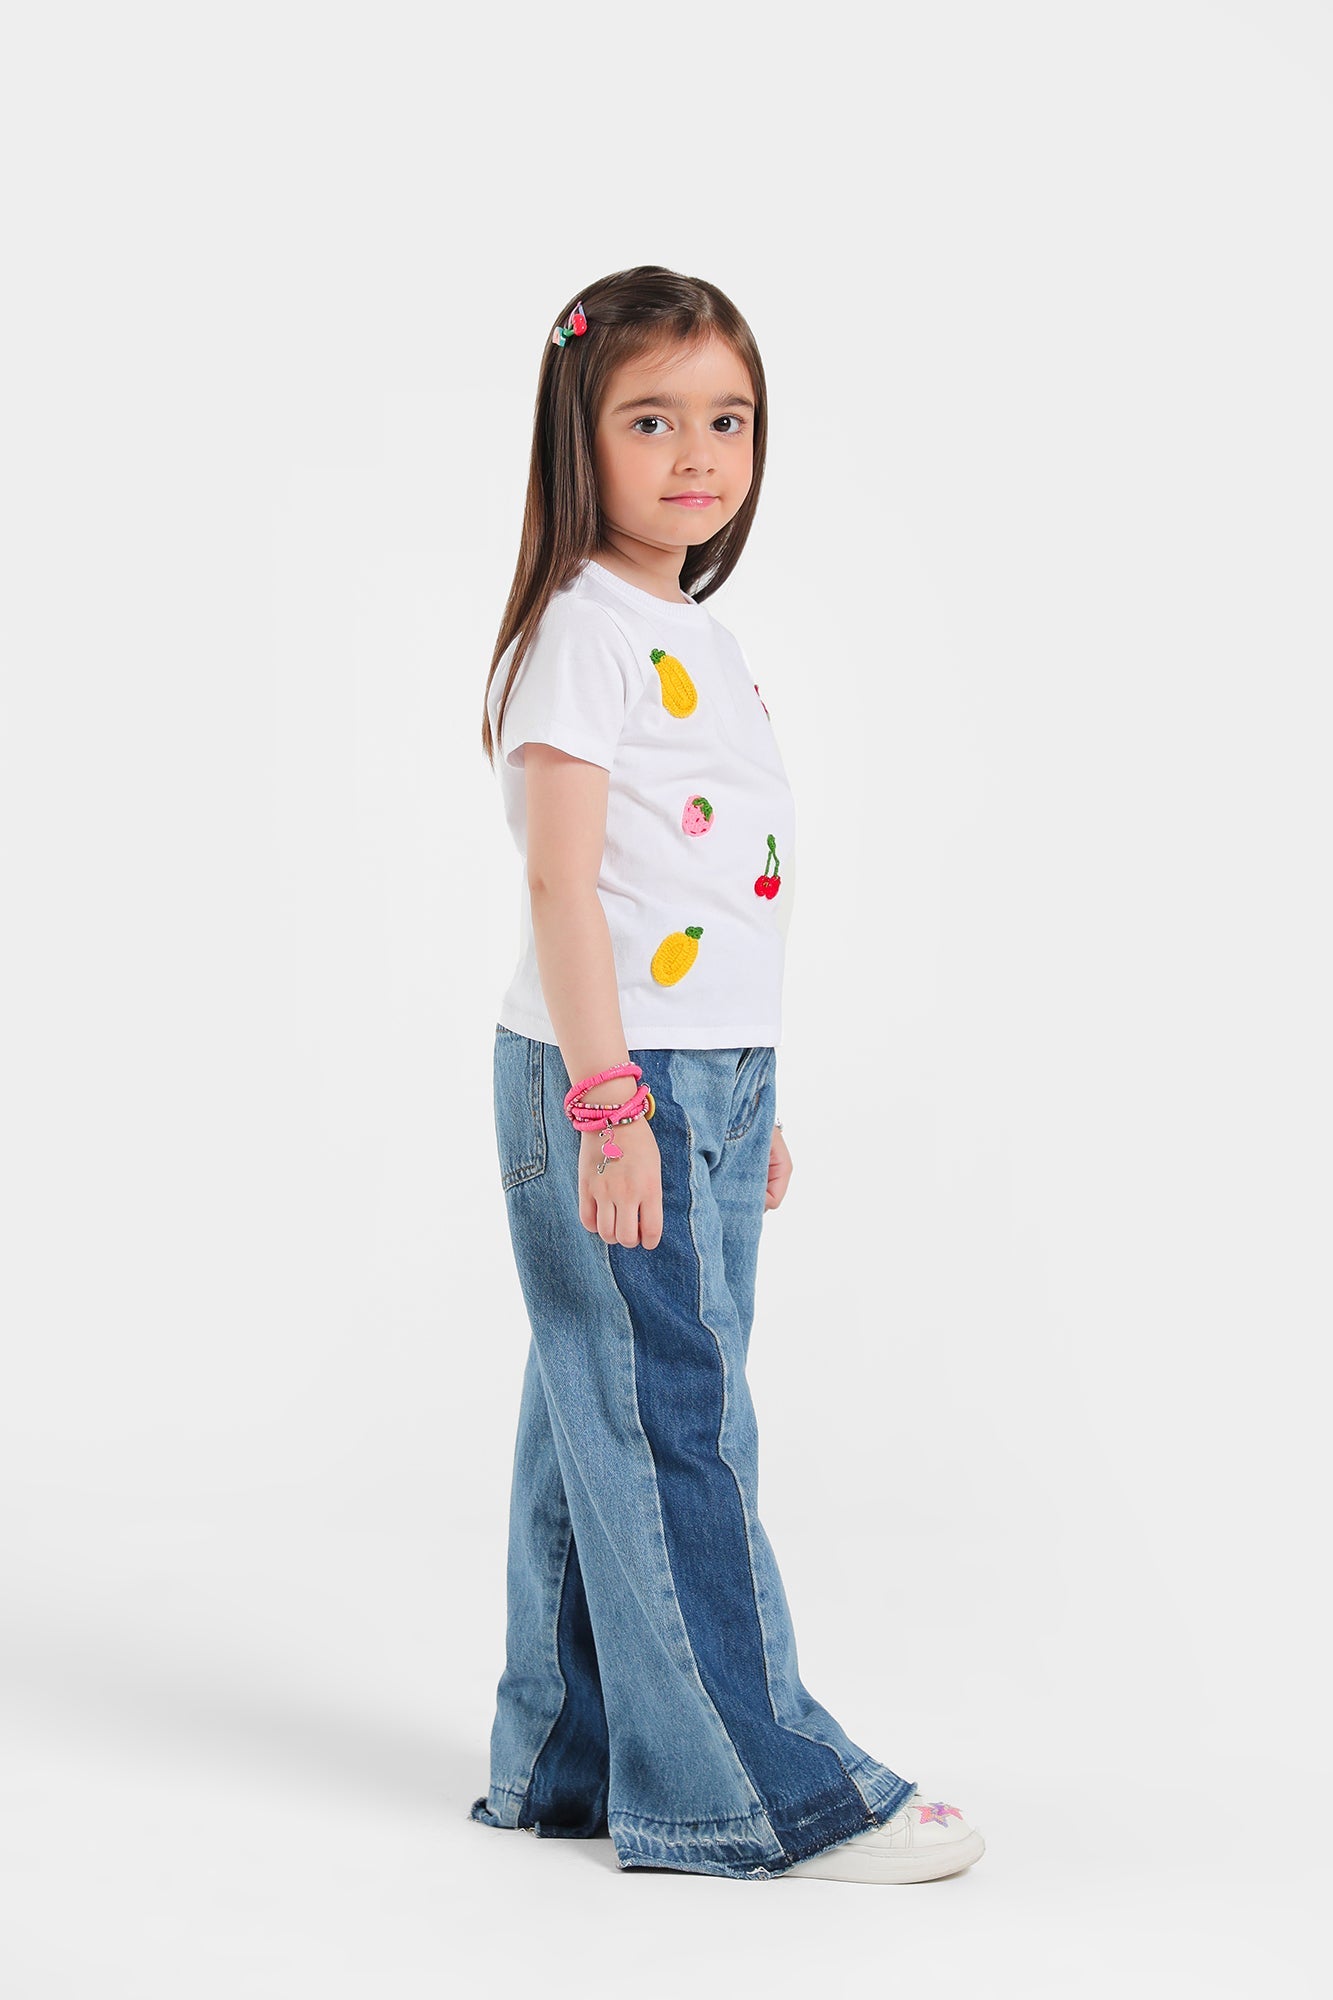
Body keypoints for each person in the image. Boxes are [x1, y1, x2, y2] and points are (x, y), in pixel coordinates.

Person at [470, 266, 985, 1884]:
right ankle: (754, 1792)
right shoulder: (581, 631)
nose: (695, 454)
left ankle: (568, 1756)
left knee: (604, 1404)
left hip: (702, 1079)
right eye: (649, 421)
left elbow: (699, 884)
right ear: (577, 439)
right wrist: (613, 1107)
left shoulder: (688, 628)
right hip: (613, 1079)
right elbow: (562, 885)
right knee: (673, 1420)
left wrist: (745, 1102)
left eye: (727, 419)